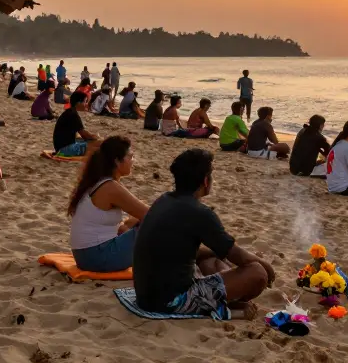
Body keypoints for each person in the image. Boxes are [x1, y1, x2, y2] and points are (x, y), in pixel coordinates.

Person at [132, 148, 274, 316]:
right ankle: (228, 307)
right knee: (257, 273)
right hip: (170, 302)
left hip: (146, 296)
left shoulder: (164, 199)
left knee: (210, 258)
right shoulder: (200, 213)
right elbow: (239, 256)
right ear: (206, 181)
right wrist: (268, 269)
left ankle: (224, 300)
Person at [69, 136, 149, 272]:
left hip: (86, 256)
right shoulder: (110, 187)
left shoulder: (98, 181)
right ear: (117, 161)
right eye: (130, 157)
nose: (133, 161)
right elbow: (151, 214)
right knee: (154, 225)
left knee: (132, 222)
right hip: (97, 257)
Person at [54, 91, 100, 157]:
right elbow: (85, 136)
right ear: (78, 103)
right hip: (65, 150)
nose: (86, 104)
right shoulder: (73, 115)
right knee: (98, 144)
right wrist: (96, 138)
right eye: (85, 101)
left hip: (60, 148)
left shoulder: (69, 112)